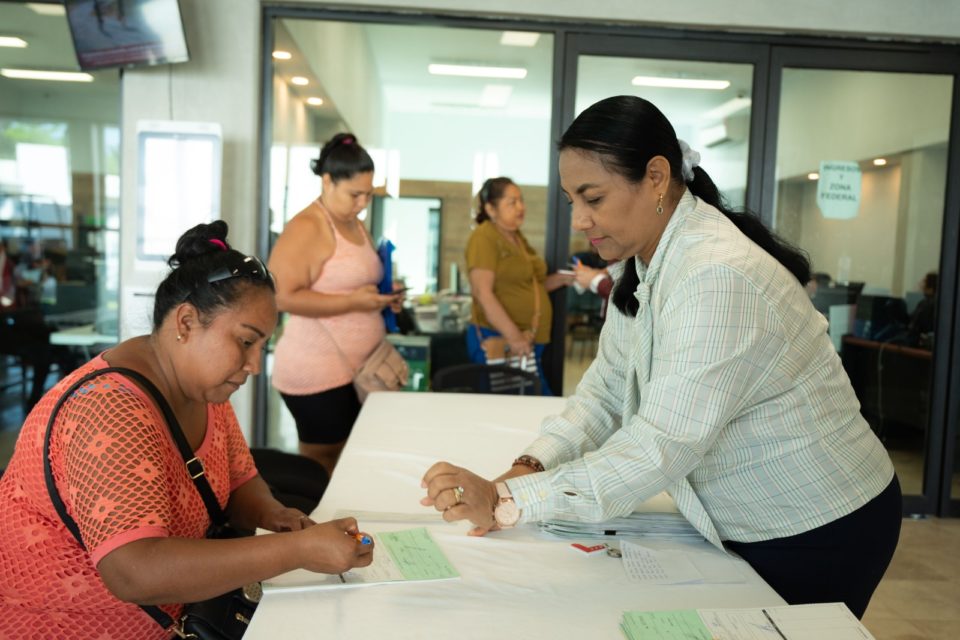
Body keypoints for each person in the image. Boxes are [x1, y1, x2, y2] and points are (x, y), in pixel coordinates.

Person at [422, 95, 900, 619]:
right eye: (570, 201)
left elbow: (659, 446)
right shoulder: (645, 261)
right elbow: (604, 394)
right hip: (746, 519)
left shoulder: (715, 274)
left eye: (594, 198)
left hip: (817, 524)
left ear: (655, 177)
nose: (580, 219)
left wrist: (513, 501)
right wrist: (518, 474)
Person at [0, 221, 374, 638]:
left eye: (262, 347)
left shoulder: (203, 388)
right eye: (246, 342)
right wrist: (296, 550)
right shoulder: (108, 407)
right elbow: (133, 571)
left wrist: (276, 515)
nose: (253, 366)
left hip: (183, 615)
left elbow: (239, 479)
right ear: (185, 323)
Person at [269, 133, 398, 475]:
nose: (363, 202)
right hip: (317, 370)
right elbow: (281, 295)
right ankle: (315, 527)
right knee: (322, 466)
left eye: (369, 194)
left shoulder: (354, 223)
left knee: (351, 462)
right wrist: (353, 301)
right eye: (355, 194)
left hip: (359, 367)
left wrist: (383, 294)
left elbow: (357, 280)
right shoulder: (308, 226)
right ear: (328, 181)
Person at [465, 177, 574, 395]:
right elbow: (483, 293)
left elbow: (533, 284)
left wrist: (568, 278)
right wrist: (514, 337)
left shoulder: (516, 238)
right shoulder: (484, 237)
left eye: (521, 201)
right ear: (491, 208)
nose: (520, 207)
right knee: (523, 407)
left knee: (523, 407)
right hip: (501, 340)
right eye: (512, 202)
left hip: (526, 340)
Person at [907, 271, 937, 348]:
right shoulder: (938, 303)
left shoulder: (926, 303)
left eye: (924, 281)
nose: (922, 285)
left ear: (930, 287)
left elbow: (914, 324)